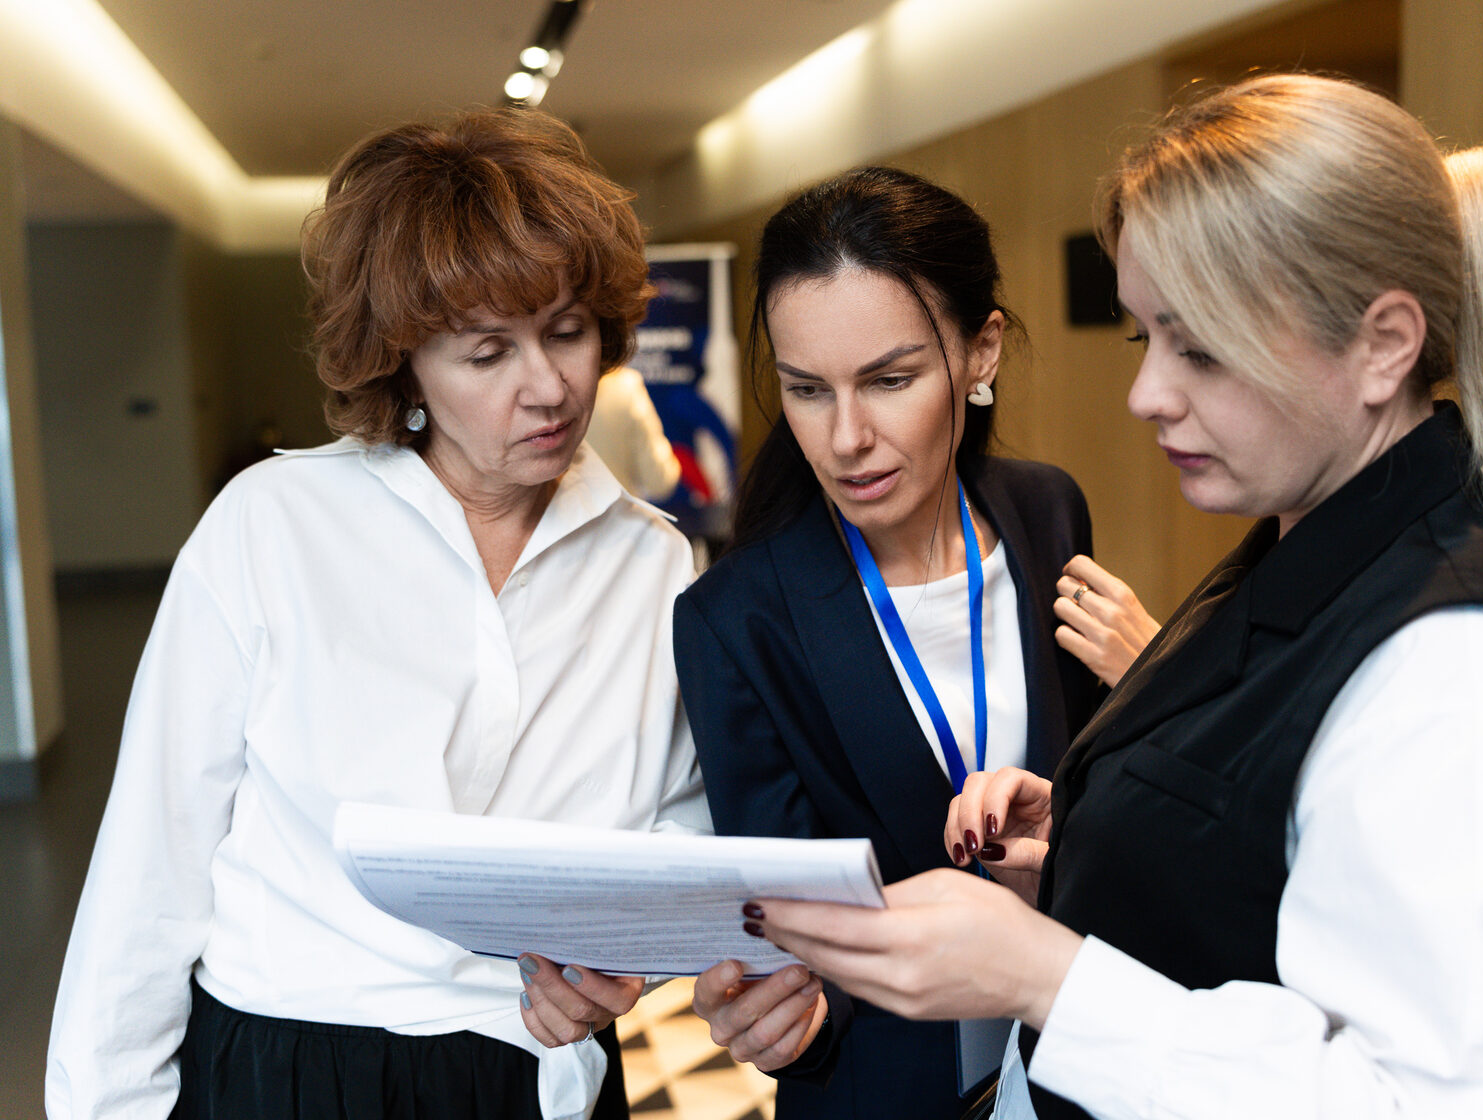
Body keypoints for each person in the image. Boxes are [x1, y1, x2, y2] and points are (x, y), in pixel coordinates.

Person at [722, 75, 1483, 1119]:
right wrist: (1093, 848)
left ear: (1384, 345)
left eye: (1201, 349)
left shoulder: (1468, 679)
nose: (1147, 394)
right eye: (1146, 339)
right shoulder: (1303, 549)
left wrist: (1047, 975)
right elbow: (1267, 862)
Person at [45, 107, 708, 1120]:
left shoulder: (651, 559)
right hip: (294, 1062)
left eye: (568, 333)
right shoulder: (273, 524)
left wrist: (628, 960)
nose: (548, 387)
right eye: (486, 353)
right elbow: (153, 857)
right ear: (406, 365)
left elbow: (678, 822)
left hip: (535, 1065)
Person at [674, 166, 1156, 1119]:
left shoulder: (1046, 512)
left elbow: (1098, 801)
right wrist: (794, 1021)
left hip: (1069, 1066)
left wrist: (1150, 686)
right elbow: (792, 922)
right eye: (807, 390)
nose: (846, 437)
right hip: (883, 1091)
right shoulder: (737, 618)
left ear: (981, 353)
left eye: (890, 381)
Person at [588, 365, 682, 501]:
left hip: (561, 511)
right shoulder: (626, 385)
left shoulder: (557, 387)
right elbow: (659, 480)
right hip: (617, 511)